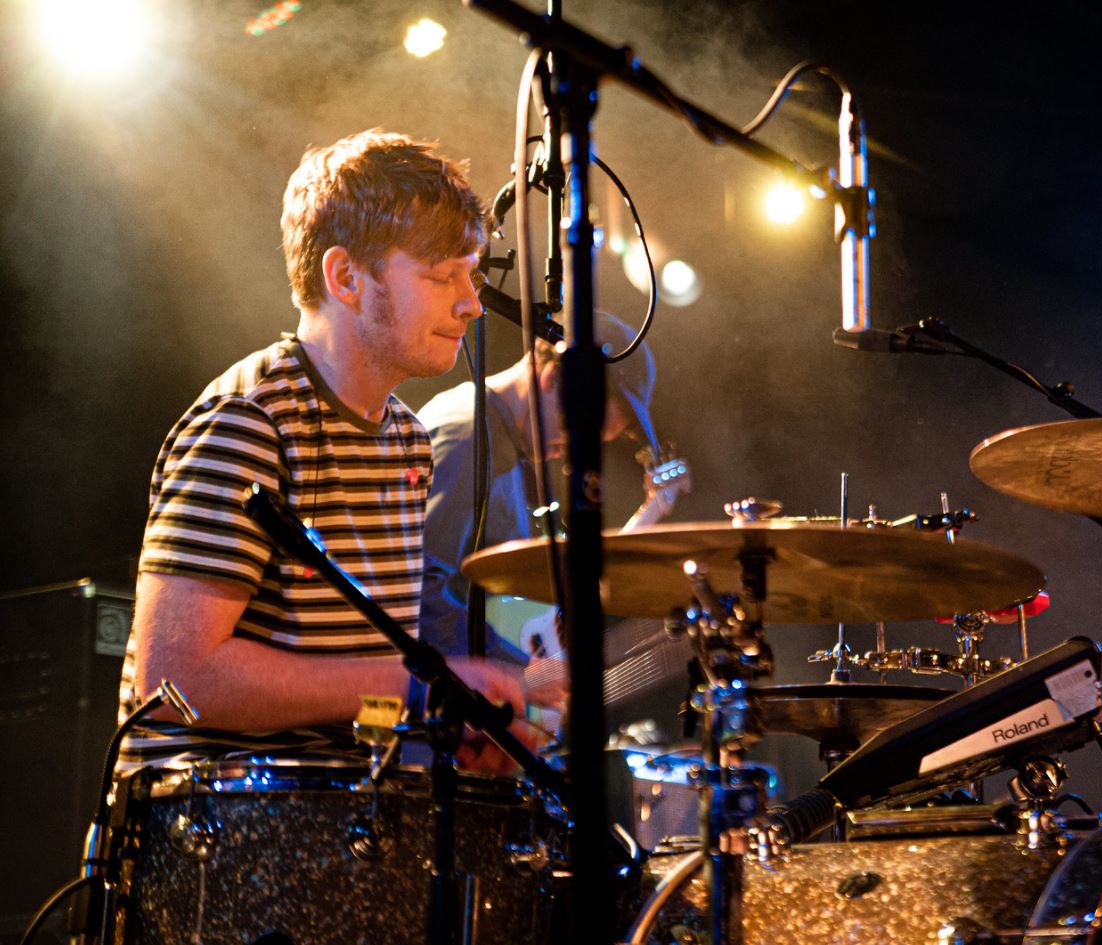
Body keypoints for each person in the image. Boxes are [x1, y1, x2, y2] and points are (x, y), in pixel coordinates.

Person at [118, 129, 557, 773]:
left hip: (344, 803)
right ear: (346, 276)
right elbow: (173, 682)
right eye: (442, 276)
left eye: (469, 275)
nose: (471, 305)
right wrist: (415, 687)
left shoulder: (407, 441)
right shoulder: (250, 423)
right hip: (220, 818)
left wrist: (447, 731)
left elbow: (361, 698)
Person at [418, 312, 684, 662]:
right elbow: (416, 593)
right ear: (553, 378)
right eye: (581, 432)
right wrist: (516, 671)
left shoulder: (508, 446)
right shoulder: (466, 437)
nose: (576, 450)